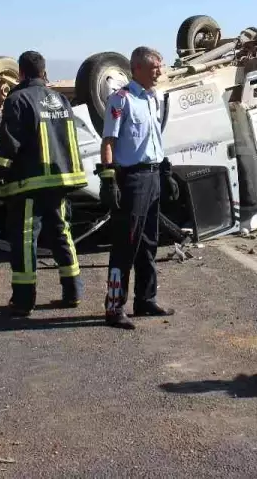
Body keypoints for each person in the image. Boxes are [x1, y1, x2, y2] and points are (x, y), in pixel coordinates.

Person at [0, 51, 87, 316]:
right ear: (44, 72)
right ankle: (73, 292)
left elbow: (9, 145)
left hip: (30, 185)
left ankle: (23, 300)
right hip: (61, 181)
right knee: (62, 234)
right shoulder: (60, 99)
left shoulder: (17, 99)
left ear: (20, 73)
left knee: (25, 240)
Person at [97, 46, 178, 330]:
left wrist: (165, 171)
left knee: (149, 243)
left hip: (153, 176)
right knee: (125, 246)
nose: (160, 71)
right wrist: (109, 179)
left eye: (160, 66)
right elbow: (109, 141)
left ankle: (145, 299)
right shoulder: (121, 100)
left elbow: (154, 138)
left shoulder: (153, 99)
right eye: (155, 67)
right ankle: (114, 307)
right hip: (132, 180)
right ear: (138, 69)